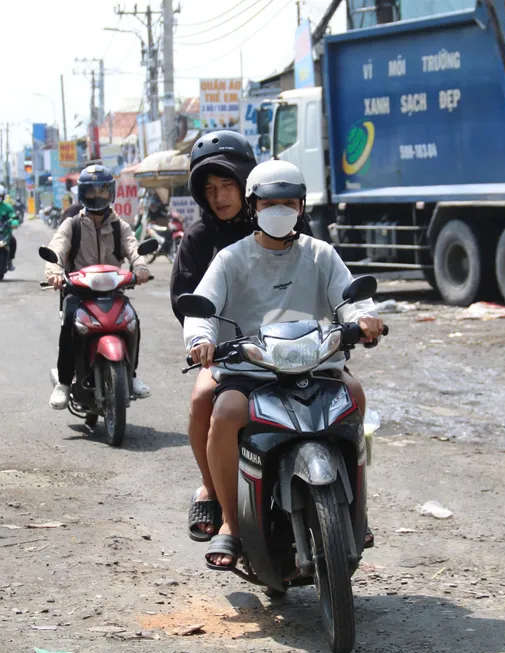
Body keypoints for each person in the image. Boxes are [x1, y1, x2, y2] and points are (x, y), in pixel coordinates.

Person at [183, 160, 385, 569]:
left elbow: (351, 298)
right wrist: (201, 340)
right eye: (270, 203)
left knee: (356, 395)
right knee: (224, 411)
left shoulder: (321, 254)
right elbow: (202, 309)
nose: (280, 210)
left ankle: (354, 509)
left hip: (316, 364)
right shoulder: (230, 259)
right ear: (254, 206)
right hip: (252, 371)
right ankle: (229, 523)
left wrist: (365, 319)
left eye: (289, 202)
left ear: (302, 206)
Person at [170, 131, 311, 543]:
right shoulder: (201, 241)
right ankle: (215, 490)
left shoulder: (287, 222)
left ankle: (351, 506)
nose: (219, 197)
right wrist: (204, 341)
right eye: (210, 189)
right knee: (202, 400)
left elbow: (331, 277)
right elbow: (186, 301)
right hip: (235, 355)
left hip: (300, 348)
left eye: (228, 184)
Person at [45, 164, 153, 409]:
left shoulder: (120, 226)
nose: (97, 196)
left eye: (102, 191)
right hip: (78, 292)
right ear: (82, 193)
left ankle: (132, 375)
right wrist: (54, 273)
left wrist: (141, 268)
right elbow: (56, 249)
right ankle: (63, 383)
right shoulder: (71, 225)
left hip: (113, 291)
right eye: (91, 191)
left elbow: (134, 249)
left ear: (111, 192)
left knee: (132, 321)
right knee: (69, 325)